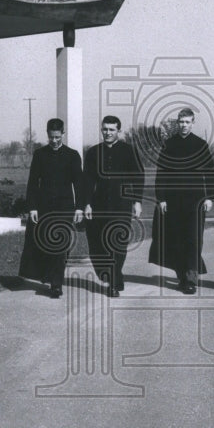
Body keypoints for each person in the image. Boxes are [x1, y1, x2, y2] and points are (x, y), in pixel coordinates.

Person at [148, 107, 214, 294]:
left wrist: (210, 197)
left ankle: (191, 279)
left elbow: (209, 173)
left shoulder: (200, 144)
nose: (184, 125)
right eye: (181, 122)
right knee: (176, 240)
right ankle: (181, 276)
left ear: (193, 123)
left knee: (193, 240)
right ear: (177, 123)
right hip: (173, 201)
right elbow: (161, 174)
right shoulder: (169, 144)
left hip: (195, 202)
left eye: (187, 122)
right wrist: (161, 198)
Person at [19, 118, 85, 299]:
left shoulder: (72, 155)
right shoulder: (40, 154)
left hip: (65, 207)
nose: (54, 141)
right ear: (47, 135)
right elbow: (33, 182)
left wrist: (79, 208)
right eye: (51, 137)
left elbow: (79, 184)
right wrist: (32, 208)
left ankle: (56, 284)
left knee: (60, 245)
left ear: (63, 134)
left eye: (57, 137)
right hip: (44, 207)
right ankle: (47, 275)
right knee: (44, 243)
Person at [83, 115, 145, 297]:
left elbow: (138, 177)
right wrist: (86, 203)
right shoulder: (93, 152)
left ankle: (113, 282)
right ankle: (110, 274)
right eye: (105, 129)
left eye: (111, 129)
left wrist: (137, 201)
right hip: (98, 205)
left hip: (121, 205)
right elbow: (87, 180)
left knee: (117, 244)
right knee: (97, 244)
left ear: (119, 131)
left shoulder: (128, 151)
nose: (108, 133)